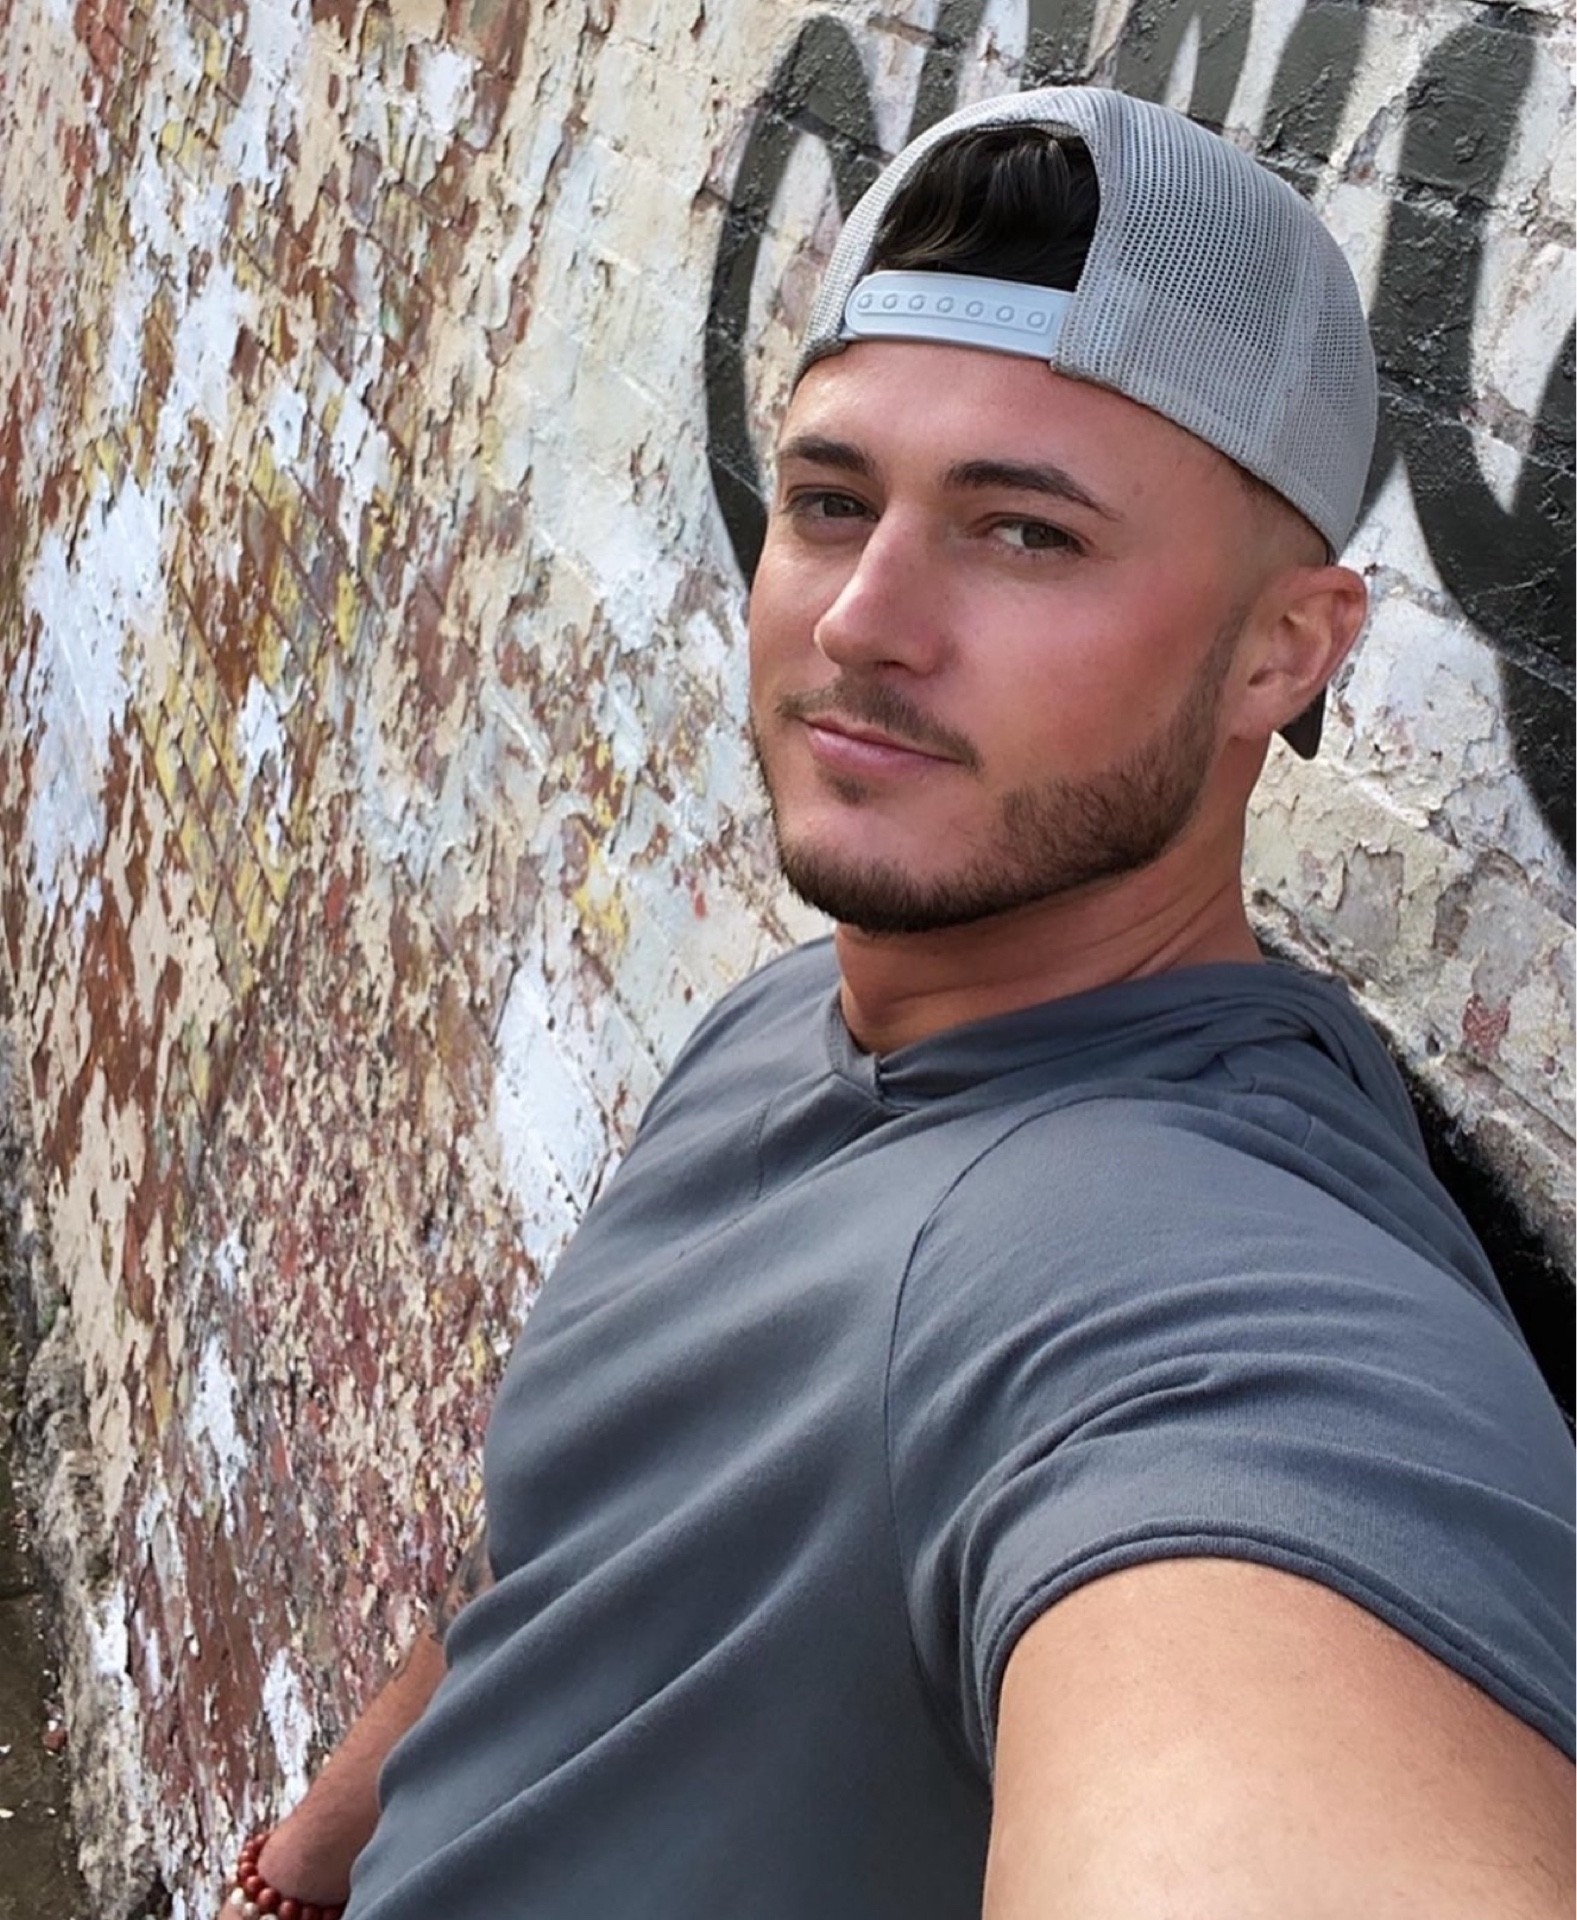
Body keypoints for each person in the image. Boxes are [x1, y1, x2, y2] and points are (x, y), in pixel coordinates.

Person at [221, 86, 1574, 1920]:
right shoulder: (791, 1019)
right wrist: (323, 1850)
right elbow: (592, 1546)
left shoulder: (1197, 1293)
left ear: (1284, 651)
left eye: (1025, 534)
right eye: (829, 502)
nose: (862, 619)